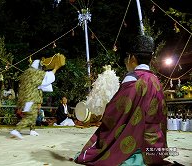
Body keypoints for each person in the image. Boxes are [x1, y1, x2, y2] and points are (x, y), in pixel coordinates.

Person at [74, 35, 174, 165]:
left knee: (103, 149)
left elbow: (116, 110)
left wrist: (104, 113)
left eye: (128, 58)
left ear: (132, 58)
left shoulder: (133, 78)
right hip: (154, 147)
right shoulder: (156, 80)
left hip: (134, 144)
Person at [10, 56, 65, 139]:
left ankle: (32, 130)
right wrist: (56, 68)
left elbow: (40, 85)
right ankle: (17, 130)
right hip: (30, 98)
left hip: (24, 98)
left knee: (33, 114)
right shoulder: (35, 72)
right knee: (30, 116)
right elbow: (47, 77)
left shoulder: (26, 73)